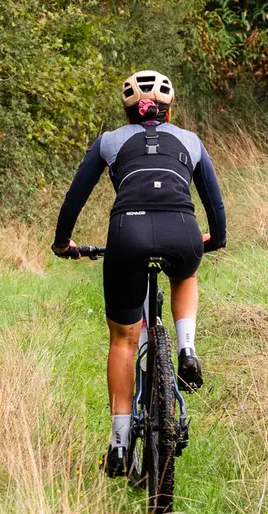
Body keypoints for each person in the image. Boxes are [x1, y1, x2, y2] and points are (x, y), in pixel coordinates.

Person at [52, 69, 225, 477]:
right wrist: (213, 240)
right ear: (169, 110)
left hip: (126, 235)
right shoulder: (190, 141)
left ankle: (118, 441)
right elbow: (214, 204)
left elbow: (74, 197)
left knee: (124, 340)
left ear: (127, 110)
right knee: (185, 272)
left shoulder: (109, 141)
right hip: (181, 231)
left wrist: (63, 242)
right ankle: (186, 349)